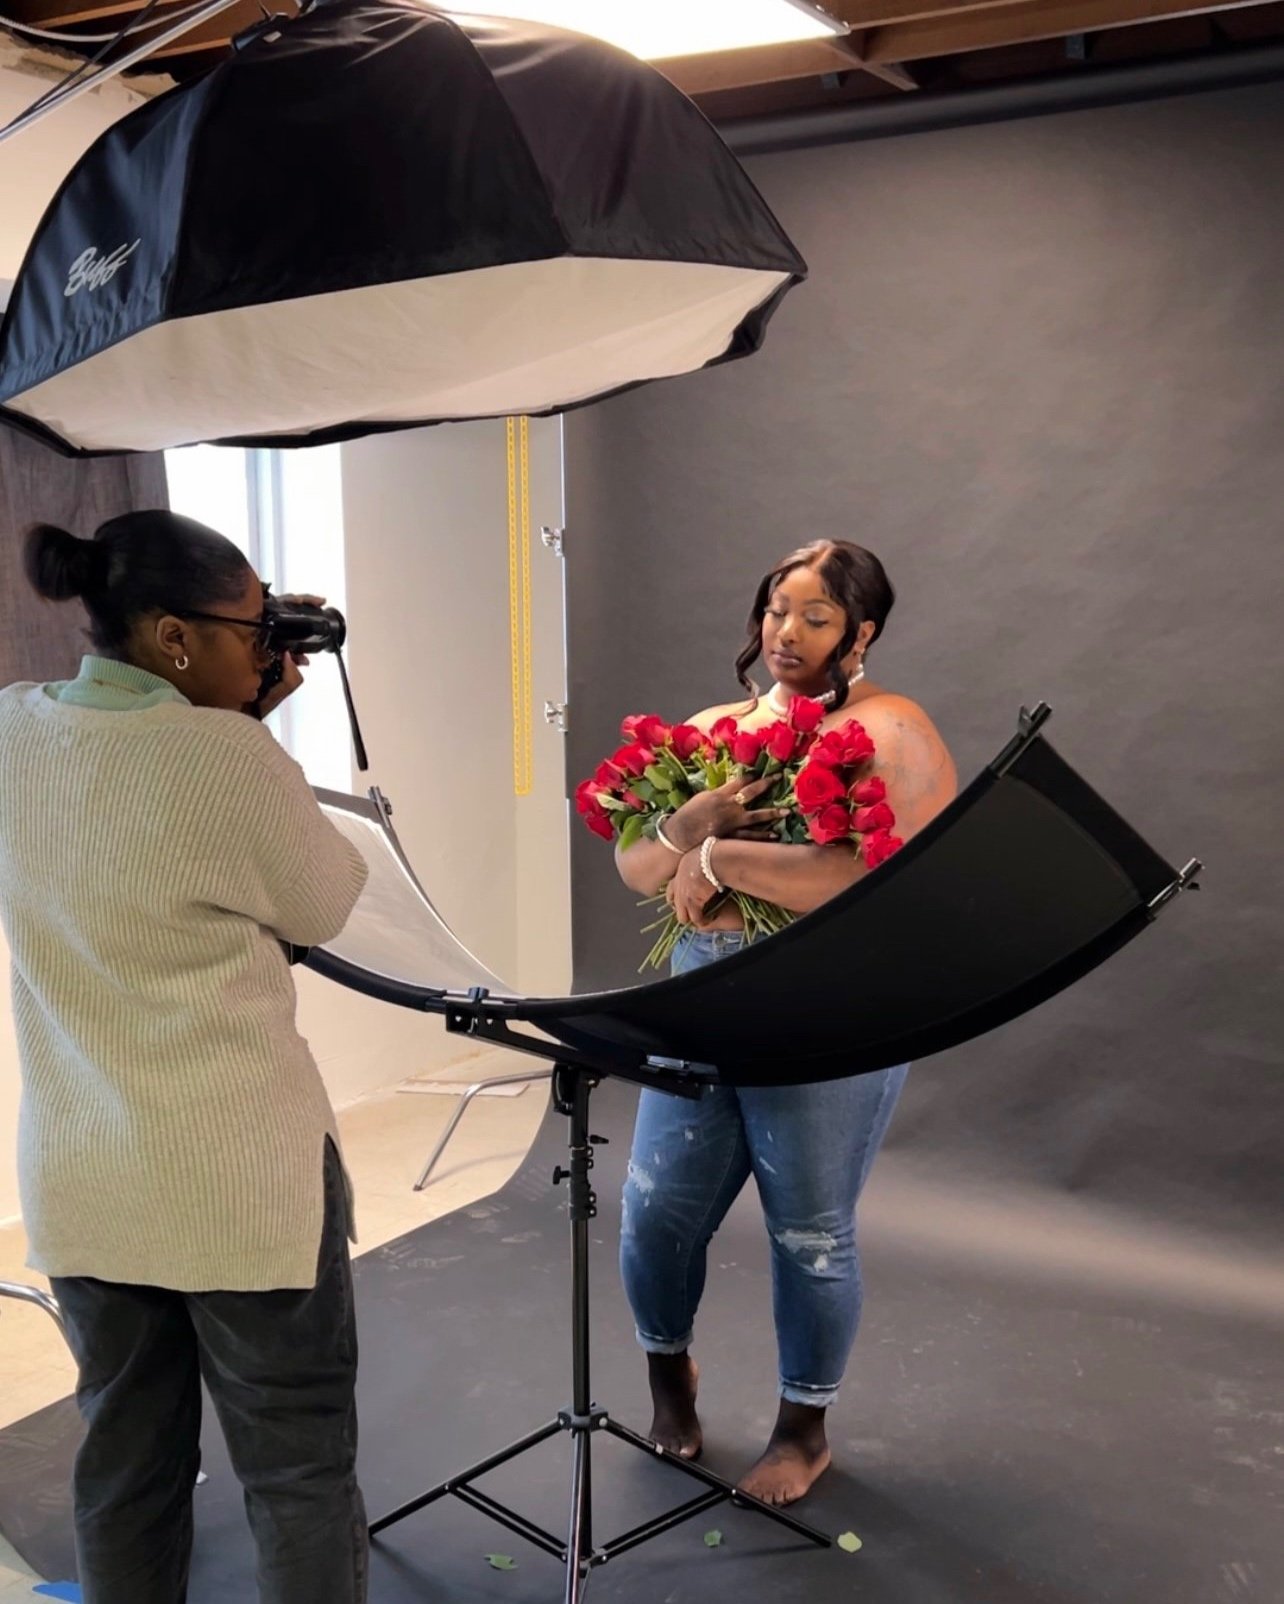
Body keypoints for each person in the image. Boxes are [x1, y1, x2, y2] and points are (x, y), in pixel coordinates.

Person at [0, 510, 371, 1603]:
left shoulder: (13, 726)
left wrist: (241, 707)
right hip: (242, 1183)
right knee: (296, 1467)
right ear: (171, 636)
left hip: (84, 1174)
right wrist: (257, 729)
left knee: (123, 1458)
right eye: (251, 628)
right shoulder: (227, 753)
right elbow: (327, 902)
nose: (267, 647)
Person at [614, 539, 957, 1507]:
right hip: (703, 994)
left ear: (862, 632)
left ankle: (803, 1431)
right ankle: (667, 1378)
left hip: (831, 1008)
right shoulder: (716, 729)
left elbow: (879, 875)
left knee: (808, 1229)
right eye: (776, 608)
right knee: (653, 1208)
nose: (786, 631)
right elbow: (636, 867)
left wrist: (719, 858)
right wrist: (685, 829)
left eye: (814, 615)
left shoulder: (893, 728)